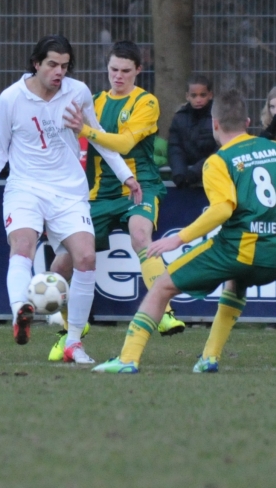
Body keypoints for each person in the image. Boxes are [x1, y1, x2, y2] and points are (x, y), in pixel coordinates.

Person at [92, 89, 276, 373]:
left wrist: (177, 239)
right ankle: (209, 358)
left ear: (214, 124)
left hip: (237, 248)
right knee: (237, 283)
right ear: (248, 121)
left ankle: (127, 359)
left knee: (162, 286)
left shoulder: (218, 161)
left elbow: (222, 210)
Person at [0, 35, 141, 364]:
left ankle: (73, 343)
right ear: (36, 64)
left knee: (87, 258)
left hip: (68, 192)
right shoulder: (11, 98)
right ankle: (21, 311)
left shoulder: (77, 93)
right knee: (22, 246)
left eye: (64, 66)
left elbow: (99, 138)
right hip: (25, 187)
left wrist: (126, 176)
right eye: (52, 64)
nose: (59, 71)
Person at [51, 40, 184, 362]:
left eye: (126, 71)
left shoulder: (146, 102)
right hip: (98, 194)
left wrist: (86, 130)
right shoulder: (93, 102)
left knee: (141, 235)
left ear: (138, 70)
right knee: (62, 262)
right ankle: (69, 331)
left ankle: (163, 309)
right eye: (113, 70)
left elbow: (124, 144)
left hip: (140, 186)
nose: (118, 76)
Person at [167, 75, 217, 188]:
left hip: (214, 177)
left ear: (210, 95)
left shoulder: (218, 117)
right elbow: (175, 148)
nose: (198, 100)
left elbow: (221, 149)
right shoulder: (179, 118)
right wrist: (179, 172)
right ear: (187, 96)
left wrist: (196, 171)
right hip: (186, 179)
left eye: (202, 95)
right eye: (194, 95)